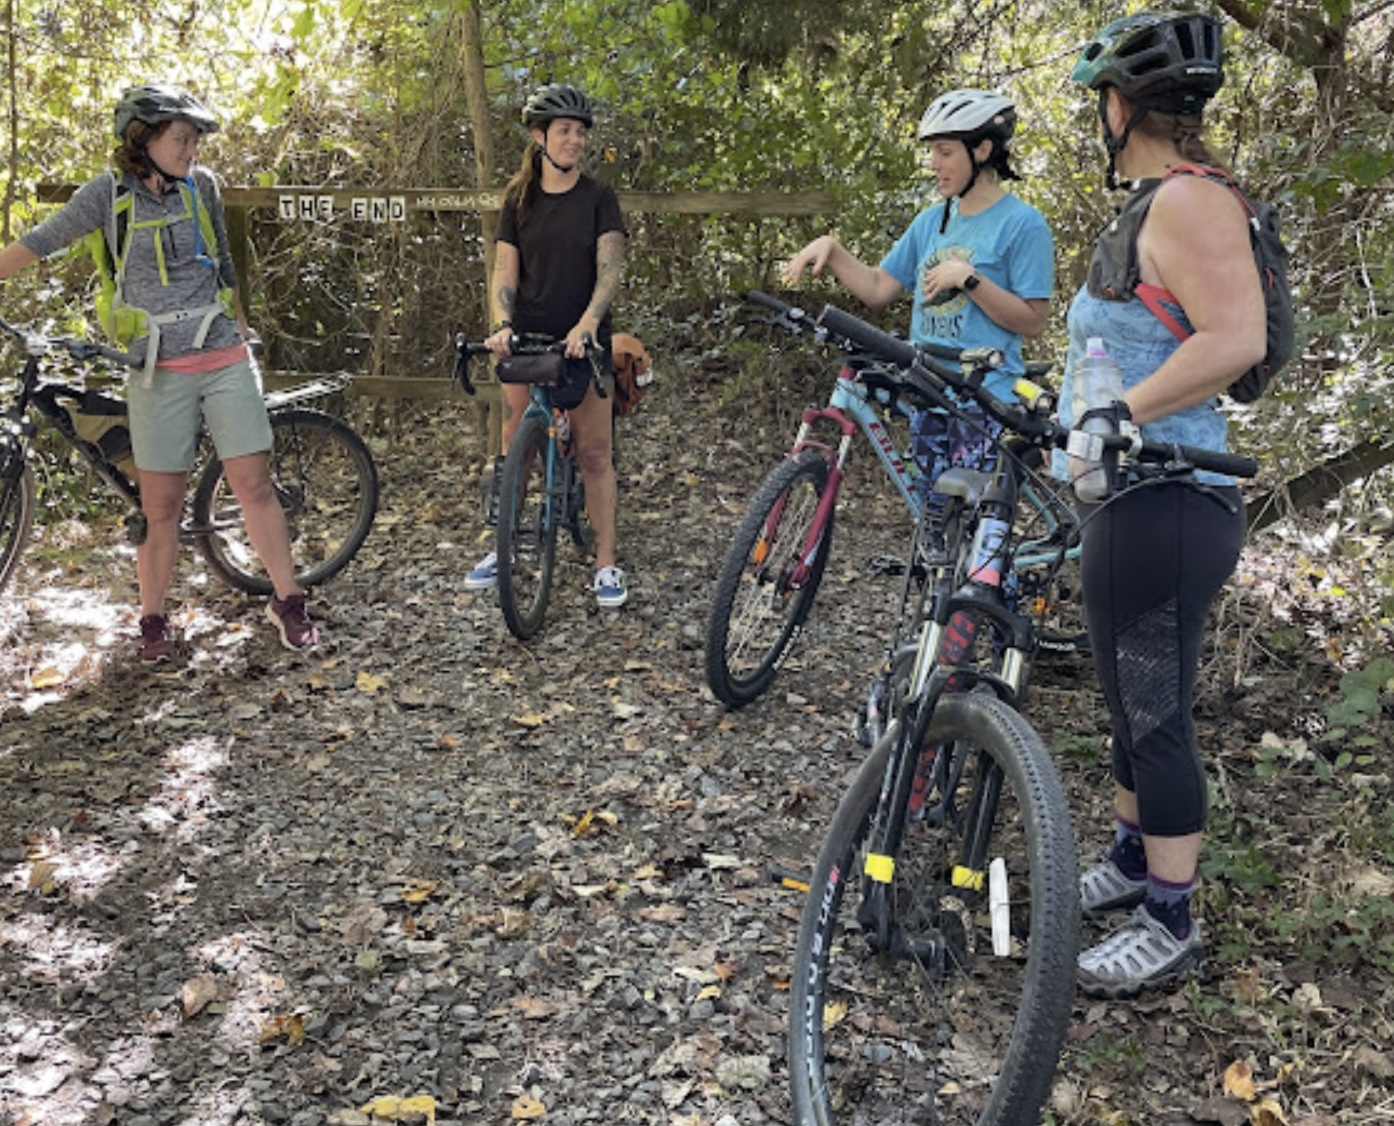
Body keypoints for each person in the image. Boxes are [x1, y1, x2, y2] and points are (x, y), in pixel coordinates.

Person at [1065, 10, 1266, 997]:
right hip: (1127, 500)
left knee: (1151, 710)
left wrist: (1116, 417)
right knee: (1121, 693)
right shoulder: (1153, 203)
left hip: (1170, 498)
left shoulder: (1190, 201)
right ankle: (1130, 855)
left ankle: (1168, 916)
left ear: (1116, 105)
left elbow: (1232, 337)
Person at [0, 83, 320, 663]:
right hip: (155, 365)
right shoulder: (106, 195)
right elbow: (42, 240)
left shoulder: (204, 188)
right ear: (141, 139)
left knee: (253, 485)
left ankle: (288, 600)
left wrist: (244, 332)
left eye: (195, 138)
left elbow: (224, 267)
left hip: (220, 351)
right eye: (181, 138)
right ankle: (153, 620)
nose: (191, 148)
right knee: (160, 505)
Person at [783, 89, 1054, 537]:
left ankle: (987, 606)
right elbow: (878, 287)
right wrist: (832, 250)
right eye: (932, 152)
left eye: (945, 152)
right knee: (935, 532)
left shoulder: (1023, 225)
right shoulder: (932, 220)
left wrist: (970, 280)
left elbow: (1032, 320)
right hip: (929, 392)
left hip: (985, 401)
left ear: (982, 150)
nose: (934, 164)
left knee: (976, 539)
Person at [464, 83, 629, 608]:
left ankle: (606, 562)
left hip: (583, 340)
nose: (574, 141)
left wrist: (587, 325)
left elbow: (610, 270)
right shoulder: (519, 199)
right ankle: (504, 545)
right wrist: (501, 322)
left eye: (580, 132)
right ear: (540, 138)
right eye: (564, 131)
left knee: (594, 452)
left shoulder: (599, 198)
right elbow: (504, 269)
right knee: (518, 443)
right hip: (530, 339)